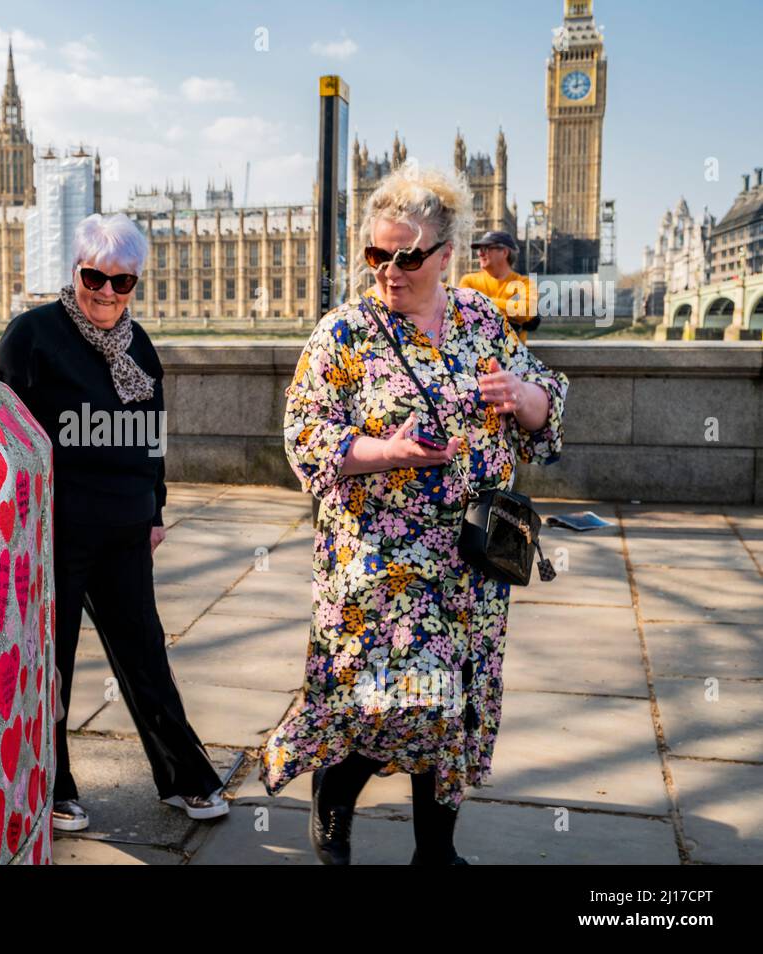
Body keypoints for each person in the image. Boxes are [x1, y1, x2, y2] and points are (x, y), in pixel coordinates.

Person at [260, 164, 568, 864]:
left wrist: (527, 396)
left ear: (445, 254)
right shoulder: (345, 333)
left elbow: (544, 393)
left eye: (407, 256)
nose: (389, 271)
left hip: (472, 564)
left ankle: (437, 852)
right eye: (377, 255)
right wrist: (386, 450)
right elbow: (304, 435)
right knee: (387, 700)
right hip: (381, 566)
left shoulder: (481, 319)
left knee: (454, 706)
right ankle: (333, 807)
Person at [0, 212, 228, 832]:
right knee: (56, 661)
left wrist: (155, 509)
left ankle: (185, 777)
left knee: (145, 656)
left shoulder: (138, 344)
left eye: (121, 282)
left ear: (135, 284)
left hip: (126, 530)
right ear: (75, 270)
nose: (105, 292)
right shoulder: (33, 336)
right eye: (94, 276)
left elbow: (152, 437)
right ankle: (55, 786)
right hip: (59, 530)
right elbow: (8, 436)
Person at [458, 230, 539, 343]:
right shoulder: (468, 281)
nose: (479, 254)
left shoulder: (526, 283)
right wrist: (510, 311)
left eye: (485, 249)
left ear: (504, 252)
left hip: (512, 357)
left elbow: (527, 311)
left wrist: (480, 301)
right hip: (476, 355)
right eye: (479, 249)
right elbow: (462, 311)